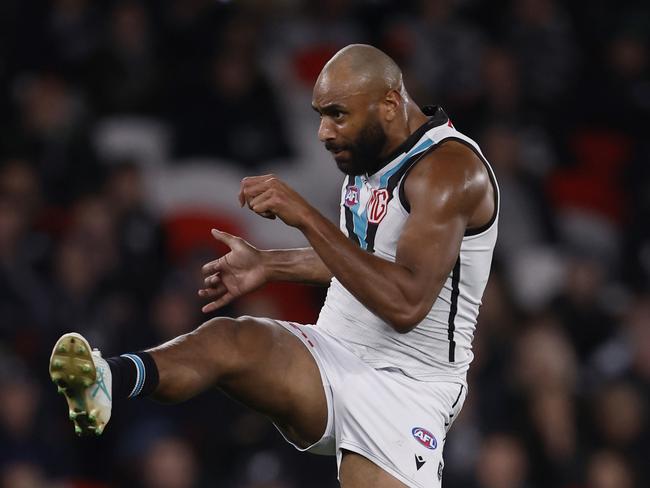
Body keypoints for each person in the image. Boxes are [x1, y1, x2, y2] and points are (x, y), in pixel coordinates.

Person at [49, 44, 498, 488]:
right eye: (320, 113)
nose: (323, 132)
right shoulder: (368, 148)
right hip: (336, 351)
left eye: (337, 114)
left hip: (407, 386)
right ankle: (106, 379)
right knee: (233, 340)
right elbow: (362, 260)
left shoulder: (449, 173)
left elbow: (405, 302)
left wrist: (304, 216)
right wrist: (269, 264)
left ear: (388, 104)